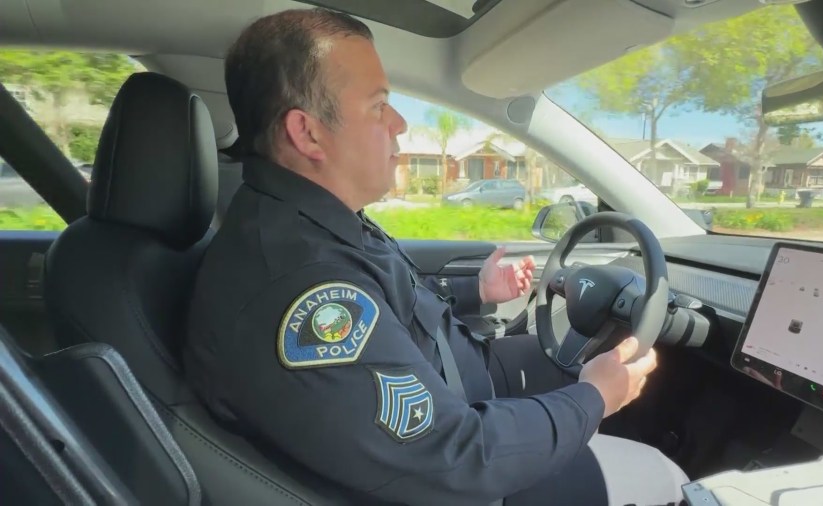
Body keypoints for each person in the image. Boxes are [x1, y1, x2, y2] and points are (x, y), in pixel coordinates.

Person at [184, 7, 689, 506]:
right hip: (463, 469)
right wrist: (593, 400)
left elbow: (389, 300)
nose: (400, 123)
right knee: (666, 475)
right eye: (379, 105)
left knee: (582, 359)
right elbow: (456, 459)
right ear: (308, 133)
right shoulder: (303, 289)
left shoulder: (310, 223)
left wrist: (476, 291)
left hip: (460, 386)